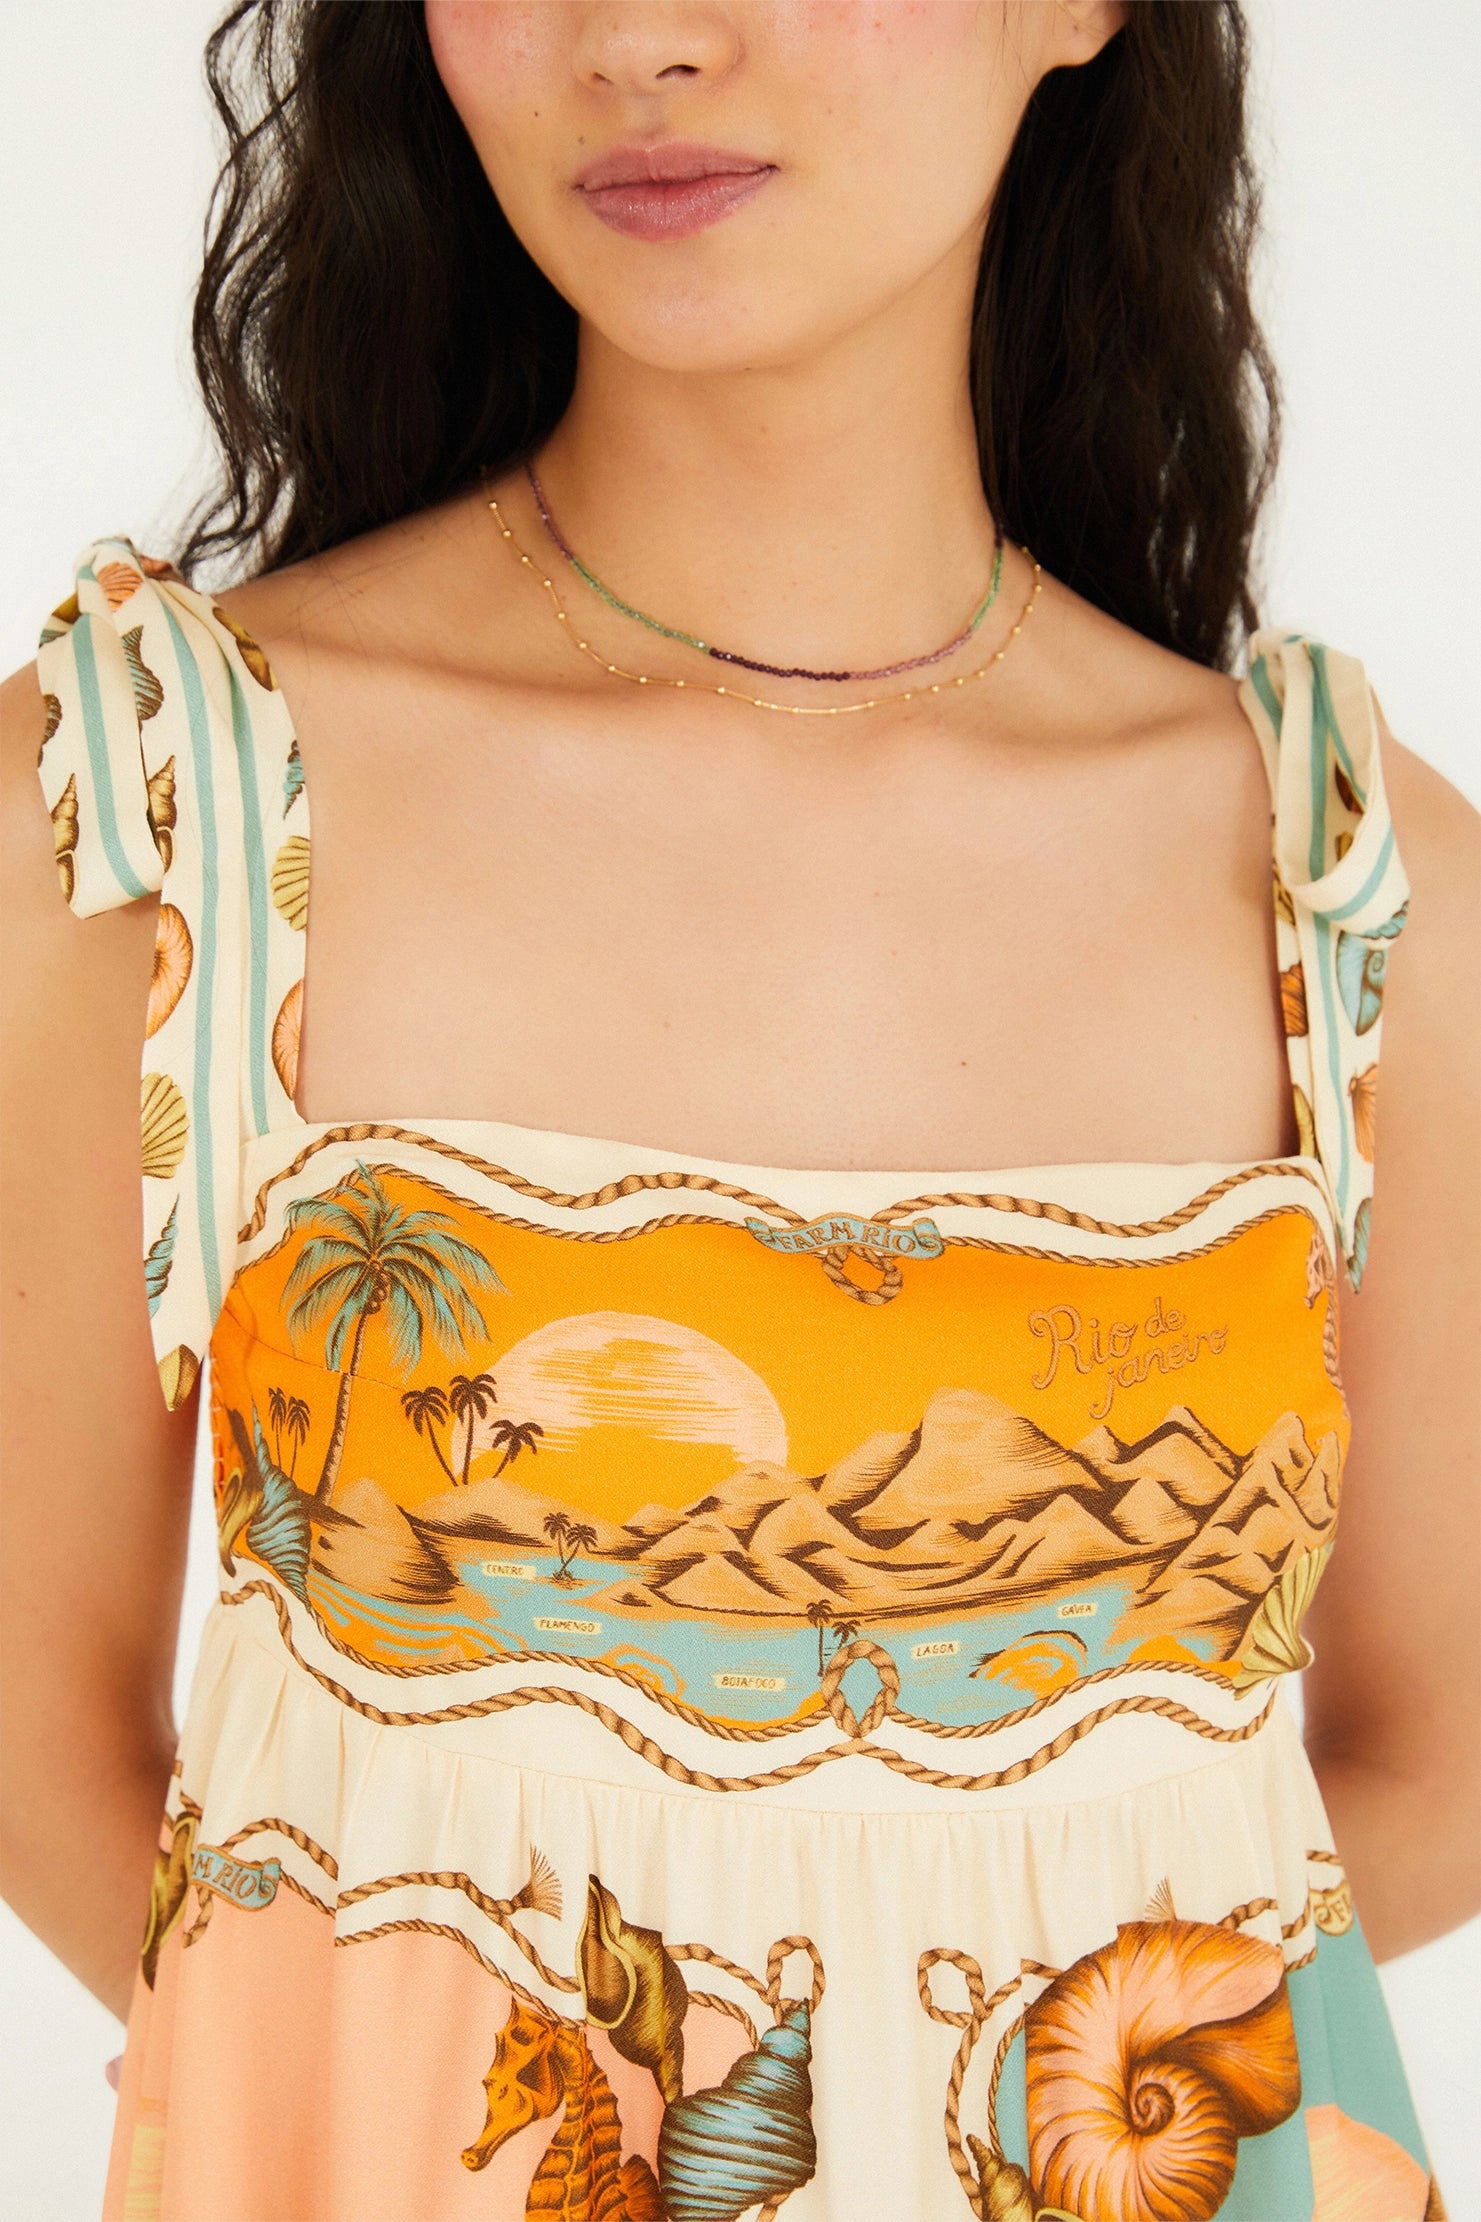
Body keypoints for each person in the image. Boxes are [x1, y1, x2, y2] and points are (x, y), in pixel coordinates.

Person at [2, 4, 1476, 2216]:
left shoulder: (1345, 889)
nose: (640, 38)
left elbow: (1438, 1754)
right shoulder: (159, 806)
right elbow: (31, 1720)